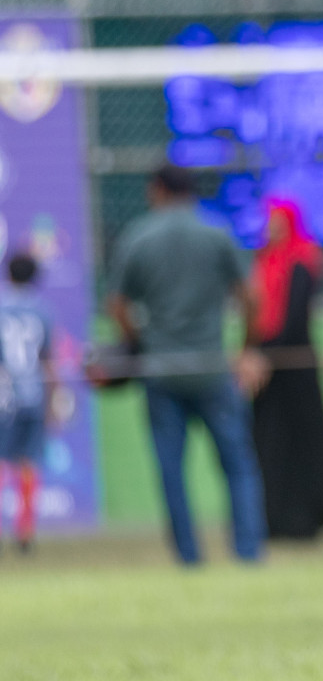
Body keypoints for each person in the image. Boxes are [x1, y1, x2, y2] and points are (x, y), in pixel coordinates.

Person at [106, 164, 266, 565]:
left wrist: (138, 343)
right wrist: (245, 347)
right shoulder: (215, 233)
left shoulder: (138, 236)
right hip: (213, 368)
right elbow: (250, 297)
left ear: (157, 190)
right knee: (238, 465)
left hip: (161, 372)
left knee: (172, 472)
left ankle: (189, 557)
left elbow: (117, 305)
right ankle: (247, 551)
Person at [250, 200, 323, 540]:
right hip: (271, 372)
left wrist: (267, 356)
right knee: (272, 447)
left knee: (308, 445)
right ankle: (282, 520)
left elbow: (294, 319)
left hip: (294, 367)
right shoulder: (265, 261)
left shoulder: (302, 260)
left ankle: (318, 515)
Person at [0, 254, 55, 555]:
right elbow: (49, 360)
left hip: (3, 398)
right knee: (28, 464)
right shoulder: (41, 309)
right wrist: (54, 399)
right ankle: (25, 532)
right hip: (34, 394)